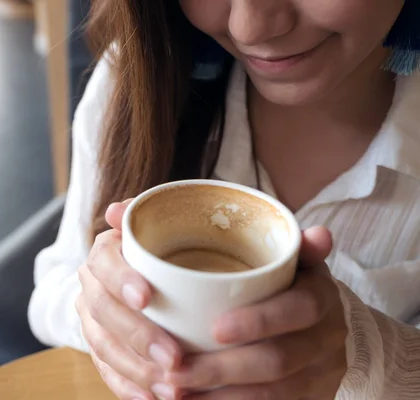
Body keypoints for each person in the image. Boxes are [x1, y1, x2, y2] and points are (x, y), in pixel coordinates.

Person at [28, 0, 420, 399]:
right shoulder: (139, 74)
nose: (250, 28)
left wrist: (365, 356)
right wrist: (105, 314)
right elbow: (53, 287)